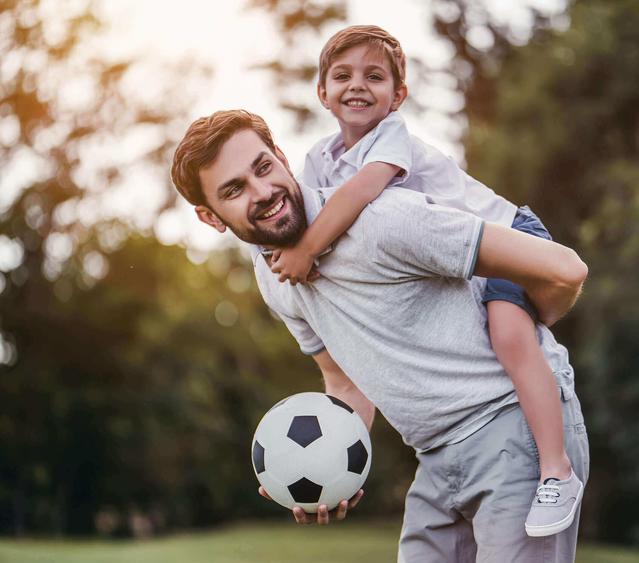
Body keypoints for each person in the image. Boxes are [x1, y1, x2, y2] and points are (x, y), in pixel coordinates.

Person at [170, 109, 589, 562]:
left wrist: (526, 336)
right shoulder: (274, 279)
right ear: (210, 218)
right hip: (434, 457)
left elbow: (564, 270)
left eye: (263, 167)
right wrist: (326, 465)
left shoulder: (381, 222)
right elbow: (345, 383)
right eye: (234, 190)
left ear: (282, 158)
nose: (263, 192)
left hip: (514, 428)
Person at [266, 25, 581, 537]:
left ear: (398, 96)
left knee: (509, 337)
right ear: (322, 92)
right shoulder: (317, 160)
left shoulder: (391, 138)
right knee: (492, 335)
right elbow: (318, 212)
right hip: (459, 259)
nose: (357, 86)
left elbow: (363, 192)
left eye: (375, 76)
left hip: (507, 236)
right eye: (342, 76)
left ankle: (555, 469)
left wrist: (304, 249)